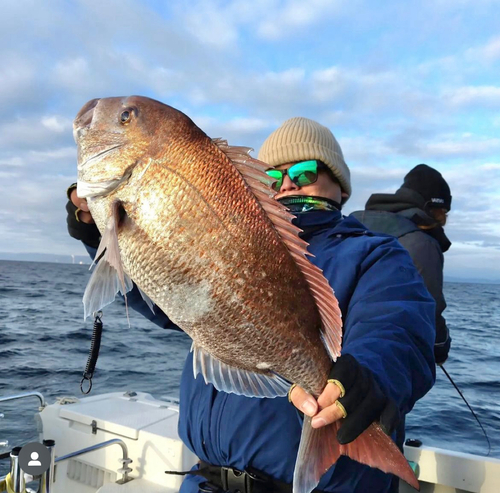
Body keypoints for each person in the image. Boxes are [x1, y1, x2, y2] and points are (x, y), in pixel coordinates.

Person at [66, 117, 436, 493]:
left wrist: (370, 375)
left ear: (340, 187)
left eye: (306, 171)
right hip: (202, 481)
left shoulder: (375, 255)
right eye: (274, 177)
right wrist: (98, 234)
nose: (289, 182)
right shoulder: (225, 235)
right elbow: (171, 298)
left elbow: (397, 328)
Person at [351, 164, 452, 365]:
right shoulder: (422, 244)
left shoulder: (353, 223)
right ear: (436, 209)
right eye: (444, 212)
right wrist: (440, 347)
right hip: (381, 359)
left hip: (332, 347)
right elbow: (429, 308)